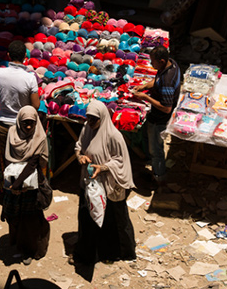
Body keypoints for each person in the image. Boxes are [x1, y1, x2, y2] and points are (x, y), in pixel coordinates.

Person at [71, 101, 136, 264]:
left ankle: (113, 253)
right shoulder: (87, 128)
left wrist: (103, 167)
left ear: (103, 118)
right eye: (89, 119)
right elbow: (79, 145)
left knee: (111, 220)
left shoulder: (114, 136)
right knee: (89, 217)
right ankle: (88, 252)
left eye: (94, 120)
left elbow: (120, 160)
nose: (91, 123)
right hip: (91, 183)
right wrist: (80, 156)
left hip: (108, 184)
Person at [0, 106, 50, 265]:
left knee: (30, 219)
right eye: (25, 123)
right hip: (15, 181)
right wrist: (13, 183)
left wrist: (17, 186)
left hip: (30, 184)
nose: (28, 126)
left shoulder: (39, 137)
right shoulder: (12, 133)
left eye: (31, 123)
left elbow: (33, 164)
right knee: (14, 215)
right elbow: (8, 157)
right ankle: (18, 244)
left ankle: (32, 249)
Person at [130, 46, 182, 188]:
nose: (151, 65)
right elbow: (157, 79)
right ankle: (151, 165)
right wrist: (145, 86)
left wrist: (146, 97)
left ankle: (159, 179)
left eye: (153, 62)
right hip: (156, 115)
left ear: (162, 60)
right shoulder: (171, 64)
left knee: (156, 150)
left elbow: (166, 108)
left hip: (160, 119)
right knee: (152, 143)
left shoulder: (167, 80)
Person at [0, 41, 40, 170]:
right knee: (23, 159)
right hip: (23, 127)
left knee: (7, 162)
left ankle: (9, 188)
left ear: (8, 55)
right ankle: (21, 187)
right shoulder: (30, 78)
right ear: (25, 57)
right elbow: (35, 105)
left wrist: (0, 86)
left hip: (3, 126)